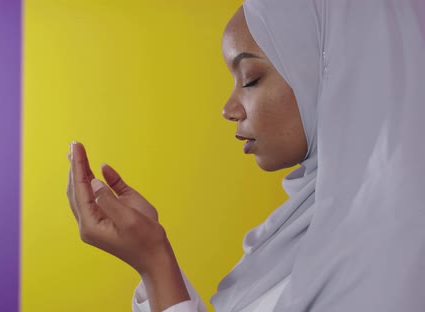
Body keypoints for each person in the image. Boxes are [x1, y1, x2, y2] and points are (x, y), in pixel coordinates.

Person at [67, 0, 425, 311]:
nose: (228, 108)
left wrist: (156, 263)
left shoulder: (396, 254)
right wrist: (154, 262)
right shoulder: (307, 226)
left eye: (250, 78)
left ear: (336, 74)